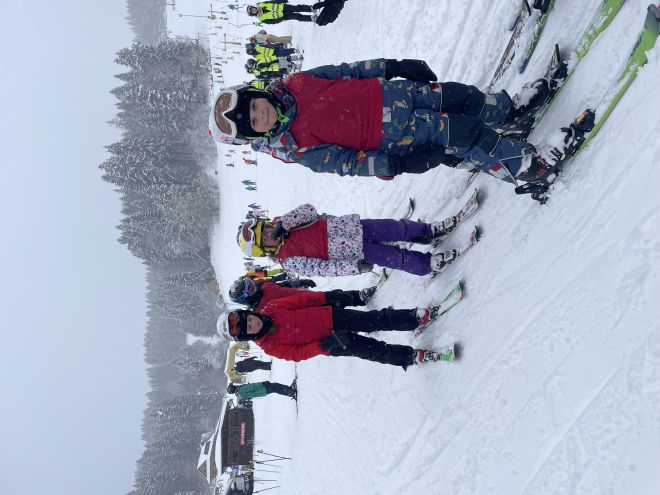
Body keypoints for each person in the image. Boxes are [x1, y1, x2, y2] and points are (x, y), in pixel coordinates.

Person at [208, 57, 584, 189]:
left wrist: (392, 66)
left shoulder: (296, 82)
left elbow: (348, 71)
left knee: (464, 97)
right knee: (467, 135)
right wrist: (398, 164)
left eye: (254, 107)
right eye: (254, 123)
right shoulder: (295, 146)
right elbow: (347, 164)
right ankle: (527, 167)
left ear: (255, 93)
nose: (261, 115)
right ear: (254, 136)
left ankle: (508, 111)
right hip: (397, 135)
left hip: (399, 93)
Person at [217, 292, 457, 368]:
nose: (253, 323)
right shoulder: (269, 346)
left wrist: (330, 297)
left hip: (332, 316)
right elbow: (297, 354)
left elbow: (303, 300)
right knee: (374, 351)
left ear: (249, 313)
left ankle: (414, 318)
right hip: (332, 343)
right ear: (248, 336)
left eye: (249, 319)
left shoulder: (271, 308)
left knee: (376, 319)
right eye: (249, 328)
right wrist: (325, 344)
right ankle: (410, 356)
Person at [235, 204, 461, 277]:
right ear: (265, 250)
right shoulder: (287, 259)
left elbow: (309, 210)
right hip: (353, 252)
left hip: (354, 227)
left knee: (396, 228)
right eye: (265, 239)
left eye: (266, 229)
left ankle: (429, 231)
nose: (270, 234)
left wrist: (285, 222)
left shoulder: (287, 222)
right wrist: (353, 267)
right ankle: (426, 264)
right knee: (394, 258)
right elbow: (321, 269)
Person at [228, 275, 377, 311]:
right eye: (251, 289)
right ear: (246, 299)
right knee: (334, 310)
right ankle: (364, 323)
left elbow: (284, 284)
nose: (254, 287)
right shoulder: (261, 310)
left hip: (307, 296)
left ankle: (359, 297)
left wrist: (301, 282)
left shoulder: (263, 285)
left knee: (335, 296)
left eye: (251, 283)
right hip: (305, 309)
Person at [246, 1, 327, 24]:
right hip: (283, 16)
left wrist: (280, 1)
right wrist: (280, 19)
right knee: (297, 16)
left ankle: (311, 9)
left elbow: (272, 2)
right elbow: (272, 22)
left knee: (297, 7)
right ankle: (311, 18)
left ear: (253, 7)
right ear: (253, 14)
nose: (254, 10)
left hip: (283, 7)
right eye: (252, 11)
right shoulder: (261, 18)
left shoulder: (261, 4)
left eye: (253, 8)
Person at [227, 380, 297, 400]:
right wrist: (262, 383)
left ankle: (290, 389)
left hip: (261, 392)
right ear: (234, 388)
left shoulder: (239, 394)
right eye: (234, 385)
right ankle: (291, 392)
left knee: (276, 387)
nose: (235, 384)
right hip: (262, 388)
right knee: (276, 387)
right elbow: (252, 387)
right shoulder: (241, 390)